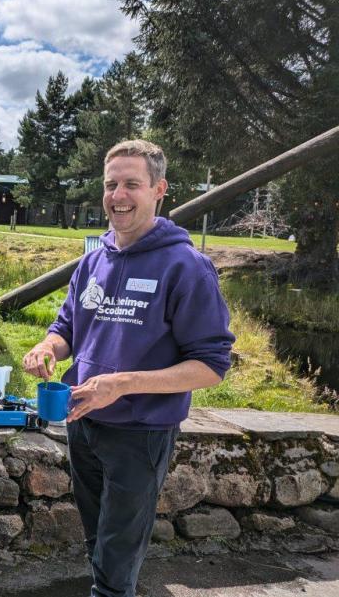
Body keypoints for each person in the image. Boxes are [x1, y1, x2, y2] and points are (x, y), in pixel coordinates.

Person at [22, 139, 234, 597]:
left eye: (131, 185)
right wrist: (47, 347)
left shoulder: (187, 267)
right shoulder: (92, 260)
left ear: (159, 190)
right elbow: (66, 329)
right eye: (110, 184)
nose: (117, 195)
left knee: (118, 560)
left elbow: (212, 366)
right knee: (98, 543)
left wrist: (123, 384)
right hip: (83, 423)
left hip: (141, 433)